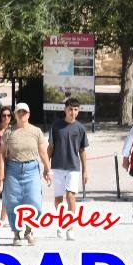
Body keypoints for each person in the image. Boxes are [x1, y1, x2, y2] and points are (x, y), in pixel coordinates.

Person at [0, 102, 50, 245]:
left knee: (35, 202)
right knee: (13, 202)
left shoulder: (36, 131)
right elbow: (2, 153)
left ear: (28, 114)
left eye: (25, 112)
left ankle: (29, 230)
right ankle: (16, 233)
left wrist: (47, 168)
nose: (22, 115)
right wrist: (0, 173)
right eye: (19, 112)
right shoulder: (9, 132)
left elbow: (43, 151)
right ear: (15, 114)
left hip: (31, 169)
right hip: (13, 169)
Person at [48, 97, 89, 239]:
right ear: (65, 109)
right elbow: (51, 147)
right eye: (70, 109)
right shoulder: (56, 126)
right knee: (58, 198)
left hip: (73, 167)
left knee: (71, 196)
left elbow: (82, 150)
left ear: (78, 111)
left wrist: (85, 170)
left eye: (76, 109)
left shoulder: (80, 128)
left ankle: (70, 227)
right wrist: (47, 167)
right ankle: (61, 222)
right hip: (57, 166)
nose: (73, 112)